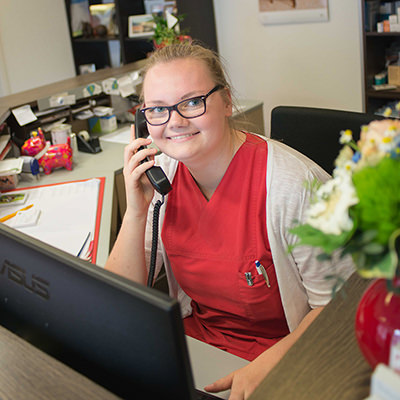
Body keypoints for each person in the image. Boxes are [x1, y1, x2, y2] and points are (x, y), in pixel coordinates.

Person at [105, 43, 353, 399]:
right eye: (158, 108)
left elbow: (338, 307)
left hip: (290, 352)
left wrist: (268, 365)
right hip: (200, 349)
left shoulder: (296, 187)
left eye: (192, 102)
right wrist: (137, 210)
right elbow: (118, 300)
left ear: (226, 102)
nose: (175, 121)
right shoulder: (163, 179)